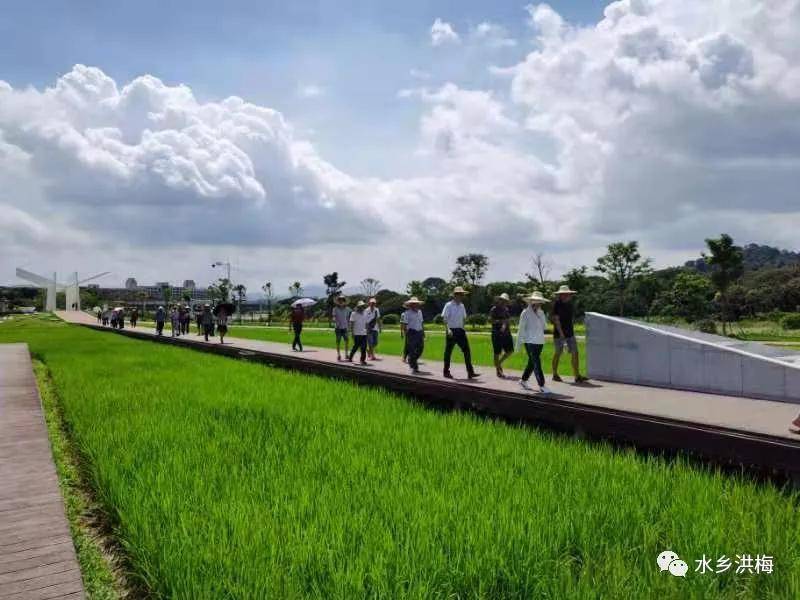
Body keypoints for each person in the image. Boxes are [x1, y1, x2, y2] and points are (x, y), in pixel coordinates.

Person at [551, 285, 588, 383]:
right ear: (560, 295)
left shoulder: (570, 304)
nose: (566, 295)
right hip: (559, 334)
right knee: (558, 353)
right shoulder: (557, 304)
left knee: (575, 352)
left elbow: (570, 320)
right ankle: (554, 374)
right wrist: (562, 334)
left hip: (570, 333)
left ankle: (577, 376)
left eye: (568, 294)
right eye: (564, 294)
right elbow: (556, 320)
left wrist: (571, 332)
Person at [516, 292, 552, 394]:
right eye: (536, 301)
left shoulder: (541, 313)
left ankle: (523, 380)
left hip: (540, 342)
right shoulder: (525, 313)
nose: (538, 304)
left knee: (532, 363)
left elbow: (544, 327)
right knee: (536, 362)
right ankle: (542, 385)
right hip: (529, 342)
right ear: (531, 302)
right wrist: (518, 344)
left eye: (540, 302)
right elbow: (521, 329)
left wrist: (540, 316)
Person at [441, 287, 479, 379]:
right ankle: (446, 372)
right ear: (455, 295)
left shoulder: (462, 306)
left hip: (460, 331)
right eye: (459, 294)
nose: (461, 296)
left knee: (467, 351)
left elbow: (463, 318)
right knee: (448, 352)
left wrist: (463, 328)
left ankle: (470, 372)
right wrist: (448, 329)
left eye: (462, 294)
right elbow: (445, 319)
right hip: (451, 331)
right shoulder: (448, 305)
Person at [490, 292, 514, 378]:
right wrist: (501, 322)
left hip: (507, 333)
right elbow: (492, 321)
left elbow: (507, 320)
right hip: (496, 333)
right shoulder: (494, 309)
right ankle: (498, 370)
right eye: (502, 300)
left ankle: (498, 363)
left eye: (505, 301)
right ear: (499, 300)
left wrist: (506, 324)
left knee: (510, 350)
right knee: (497, 352)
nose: (504, 302)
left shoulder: (506, 310)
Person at [401, 297, 425, 374]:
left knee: (421, 349)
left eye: (417, 304)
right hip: (411, 333)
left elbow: (421, 322)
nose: (416, 305)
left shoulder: (420, 312)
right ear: (411, 305)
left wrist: (423, 332)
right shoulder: (407, 313)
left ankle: (411, 360)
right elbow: (404, 325)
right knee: (412, 350)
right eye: (414, 304)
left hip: (419, 332)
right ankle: (414, 367)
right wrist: (406, 335)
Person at [348, 300, 369, 365]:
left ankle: (362, 360)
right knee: (356, 346)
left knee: (364, 347)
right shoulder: (353, 313)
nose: (362, 307)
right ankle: (350, 357)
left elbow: (366, 323)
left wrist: (367, 331)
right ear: (358, 307)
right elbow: (351, 323)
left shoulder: (365, 313)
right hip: (356, 333)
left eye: (363, 306)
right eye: (360, 306)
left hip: (364, 333)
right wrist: (352, 333)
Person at [332, 295, 351, 361]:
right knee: (338, 341)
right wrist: (334, 320)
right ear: (338, 301)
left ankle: (346, 354)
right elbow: (334, 316)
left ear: (344, 301)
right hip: (338, 327)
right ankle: (338, 355)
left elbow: (348, 318)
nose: (341, 301)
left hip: (345, 327)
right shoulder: (335, 309)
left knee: (347, 341)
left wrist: (349, 326)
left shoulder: (347, 309)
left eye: (342, 300)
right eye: (340, 300)